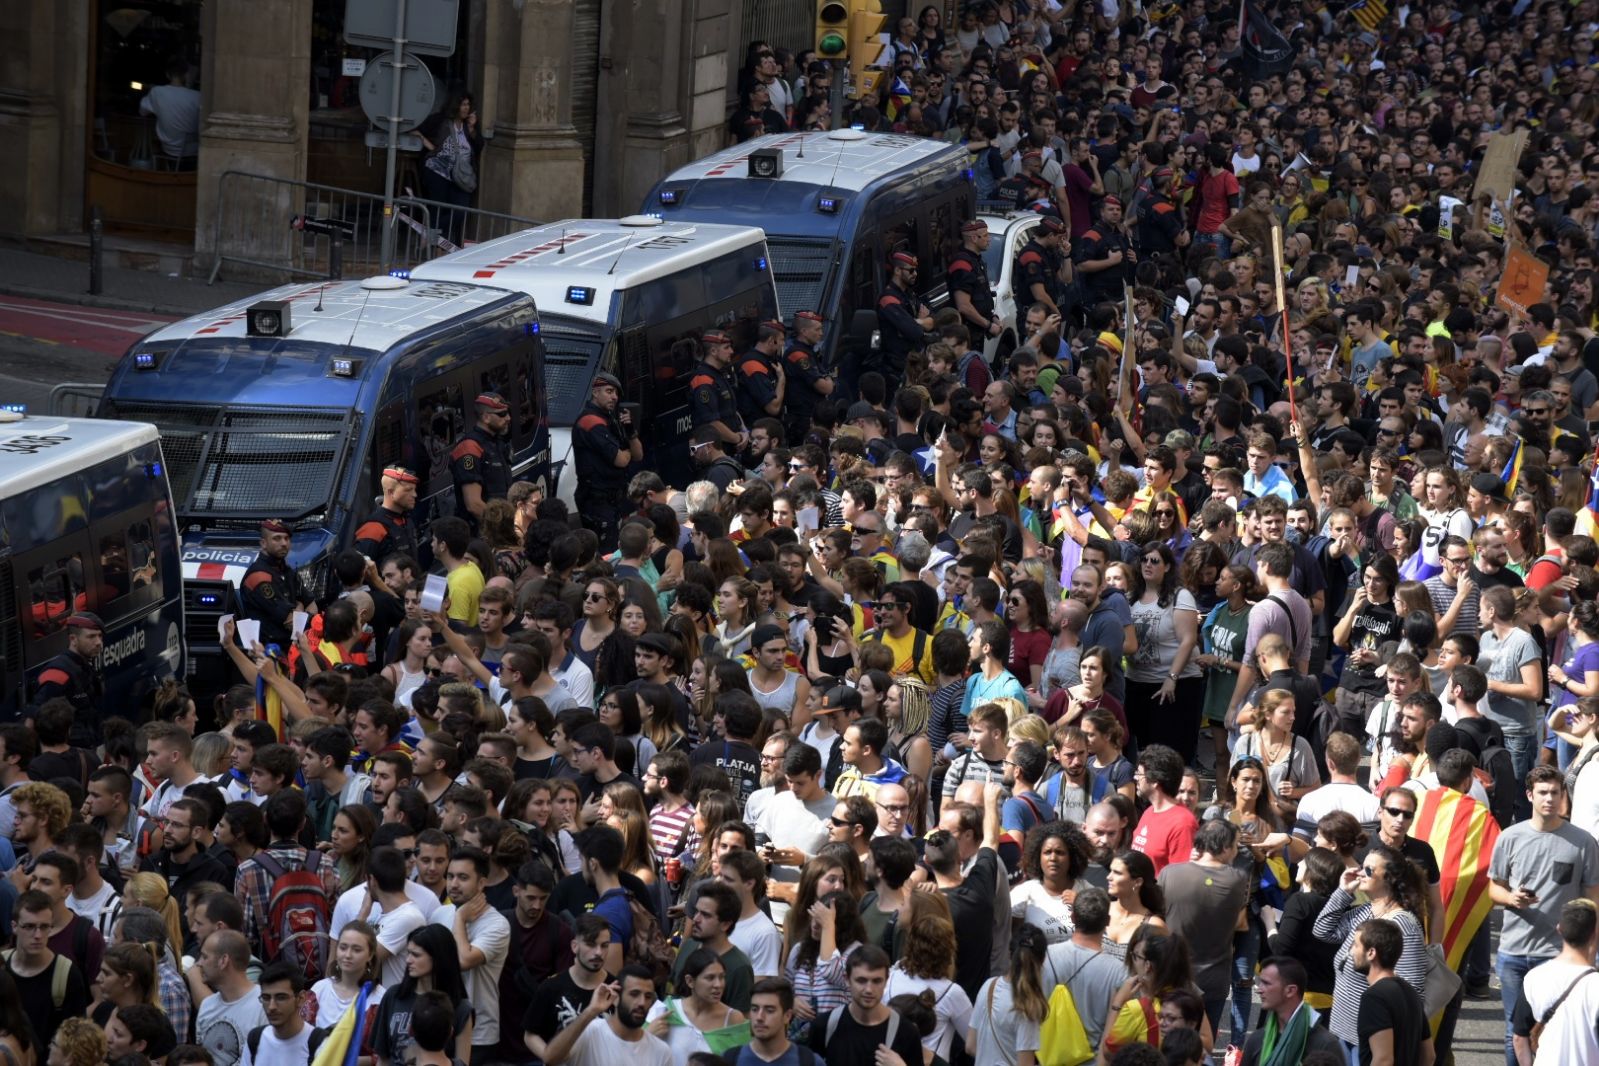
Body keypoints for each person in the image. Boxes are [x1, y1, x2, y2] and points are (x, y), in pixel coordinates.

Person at [1490, 766, 1599, 1065]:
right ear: (1530, 795)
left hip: (1556, 955)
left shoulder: (1583, 842)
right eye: (1542, 793)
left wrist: (1591, 950)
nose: (1549, 798)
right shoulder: (1510, 838)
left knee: (1557, 1031)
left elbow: (1593, 898)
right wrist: (1511, 897)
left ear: (1562, 795)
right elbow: (1493, 888)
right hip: (1513, 952)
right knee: (1516, 1032)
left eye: (1554, 792)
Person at [1511, 899, 1599, 1064]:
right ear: (1594, 933)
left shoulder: (1534, 977)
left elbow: (1519, 1038)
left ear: (1559, 929)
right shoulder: (1595, 985)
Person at [806, 945, 925, 1064]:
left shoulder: (906, 1033)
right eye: (861, 980)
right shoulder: (824, 1026)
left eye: (877, 981)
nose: (869, 989)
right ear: (847, 980)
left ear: (886, 981)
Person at [538, 964, 672, 1066]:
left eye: (648, 996)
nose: (642, 1003)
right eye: (634, 994)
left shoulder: (661, 1052)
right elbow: (550, 1059)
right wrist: (590, 1011)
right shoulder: (589, 1032)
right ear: (617, 998)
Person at [6, 891, 90, 1050]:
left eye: (44, 927)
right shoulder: (2, 967)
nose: (37, 935)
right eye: (29, 926)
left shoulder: (67, 974)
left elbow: (76, 1040)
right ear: (14, 927)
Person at [573, 372, 644, 552]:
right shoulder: (591, 421)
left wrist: (630, 431)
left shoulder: (611, 417)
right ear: (595, 393)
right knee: (607, 551)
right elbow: (621, 460)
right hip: (597, 500)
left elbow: (638, 455)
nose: (614, 397)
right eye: (609, 391)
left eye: (616, 393)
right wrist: (626, 451)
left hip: (615, 497)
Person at [1351, 919, 1434, 1066]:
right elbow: (1429, 1056)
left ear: (1371, 953)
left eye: (1356, 945)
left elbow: (1383, 1060)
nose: (1351, 951)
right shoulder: (1410, 991)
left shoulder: (1374, 998)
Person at [1238, 956, 1344, 1066]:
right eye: (1260, 982)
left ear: (1290, 991)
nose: (1259, 989)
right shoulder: (1257, 1039)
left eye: (1266, 983)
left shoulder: (1325, 1045)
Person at [26, 613, 105, 748]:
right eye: (91, 636)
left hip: (86, 748)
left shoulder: (85, 667)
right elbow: (33, 716)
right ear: (73, 639)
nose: (98, 642)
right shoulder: (58, 674)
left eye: (100, 636)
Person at [239, 522, 314, 654]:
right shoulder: (259, 577)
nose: (284, 543)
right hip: (269, 653)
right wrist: (300, 607)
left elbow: (312, 604)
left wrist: (300, 613)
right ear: (263, 543)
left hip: (293, 649)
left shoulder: (287, 571)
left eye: (287, 538)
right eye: (277, 538)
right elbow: (292, 623)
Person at [194, 930, 266, 1066]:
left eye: (204, 957)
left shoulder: (264, 1005)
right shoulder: (207, 1005)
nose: (199, 964)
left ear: (223, 961)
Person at [449, 392, 513, 534]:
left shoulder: (496, 443)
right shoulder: (470, 448)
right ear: (486, 417)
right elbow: (474, 504)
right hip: (483, 533)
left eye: (507, 413)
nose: (508, 418)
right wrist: (501, 530)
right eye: (502, 414)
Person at [240, 961, 316, 1066]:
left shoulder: (318, 1044)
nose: (271, 1007)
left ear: (301, 998)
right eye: (266, 998)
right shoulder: (255, 1040)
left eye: (281, 998)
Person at [352, 466, 421, 566]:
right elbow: (359, 570)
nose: (414, 494)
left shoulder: (406, 520)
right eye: (408, 490)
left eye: (414, 490)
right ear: (391, 492)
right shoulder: (373, 528)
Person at [138, 58, 201, 165]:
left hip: (169, 151)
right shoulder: (197, 96)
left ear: (167, 75)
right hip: (194, 153)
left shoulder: (157, 92)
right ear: (186, 75)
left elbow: (142, 111)